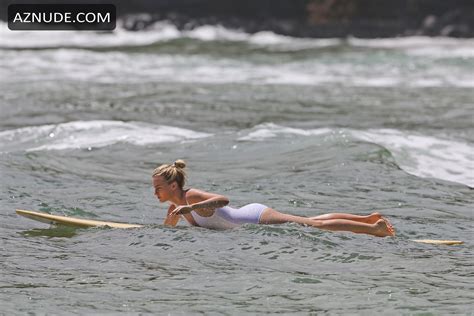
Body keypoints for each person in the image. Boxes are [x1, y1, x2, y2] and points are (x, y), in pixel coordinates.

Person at [152, 160, 395, 237]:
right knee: (310, 220)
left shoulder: (190, 196)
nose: (156, 193)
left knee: (314, 226)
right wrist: (170, 225)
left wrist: (192, 207)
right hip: (245, 220)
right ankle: (365, 219)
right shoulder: (177, 206)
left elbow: (223, 200)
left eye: (159, 187)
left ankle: (375, 229)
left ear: (174, 185)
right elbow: (171, 235)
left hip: (255, 216)